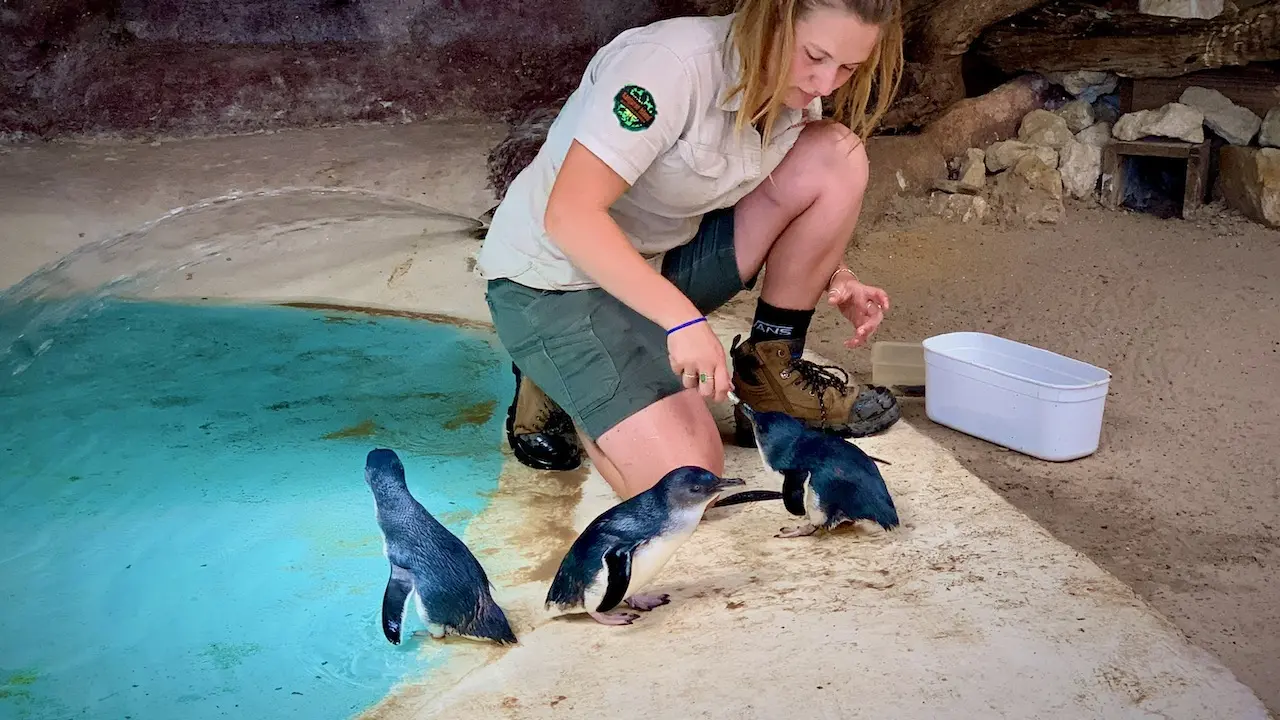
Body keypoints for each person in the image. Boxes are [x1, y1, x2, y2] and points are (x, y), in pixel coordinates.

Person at [476, 0, 904, 500]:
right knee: (685, 483)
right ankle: (560, 379)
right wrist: (682, 321)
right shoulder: (665, 67)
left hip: (655, 265)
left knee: (836, 155)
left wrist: (837, 275)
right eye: (815, 55)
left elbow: (759, 190)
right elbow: (569, 214)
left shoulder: (790, 80)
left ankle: (769, 372)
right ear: (774, 17)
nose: (826, 83)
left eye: (847, 68)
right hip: (555, 282)